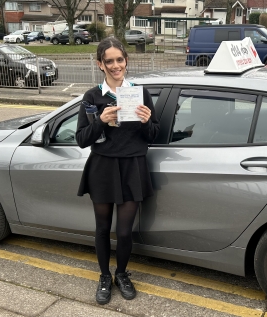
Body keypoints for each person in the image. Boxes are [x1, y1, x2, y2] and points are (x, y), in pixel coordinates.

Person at [75, 37, 159, 305]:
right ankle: (103, 276)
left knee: (124, 232)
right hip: (103, 167)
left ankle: (121, 273)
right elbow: (81, 139)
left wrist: (146, 122)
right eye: (109, 61)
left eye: (119, 60)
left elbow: (154, 134)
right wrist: (100, 121)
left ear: (126, 61)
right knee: (102, 229)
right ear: (100, 64)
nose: (115, 65)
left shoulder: (140, 93)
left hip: (133, 166)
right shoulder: (92, 97)